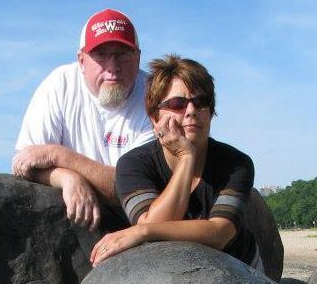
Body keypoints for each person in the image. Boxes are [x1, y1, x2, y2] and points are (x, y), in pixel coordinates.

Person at [90, 54, 263, 272]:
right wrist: (186, 158)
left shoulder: (236, 164)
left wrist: (143, 231)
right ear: (154, 117)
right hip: (168, 268)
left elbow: (220, 233)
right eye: (177, 104)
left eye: (201, 102)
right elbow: (157, 224)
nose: (191, 111)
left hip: (238, 266)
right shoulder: (133, 165)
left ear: (211, 112)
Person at [12, 9, 155, 231]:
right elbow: (24, 164)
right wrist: (67, 178)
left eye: (123, 54)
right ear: (81, 60)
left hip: (137, 225)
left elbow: (129, 190)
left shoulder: (156, 99)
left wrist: (58, 155)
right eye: (101, 55)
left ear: (138, 57)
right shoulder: (59, 85)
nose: (112, 67)